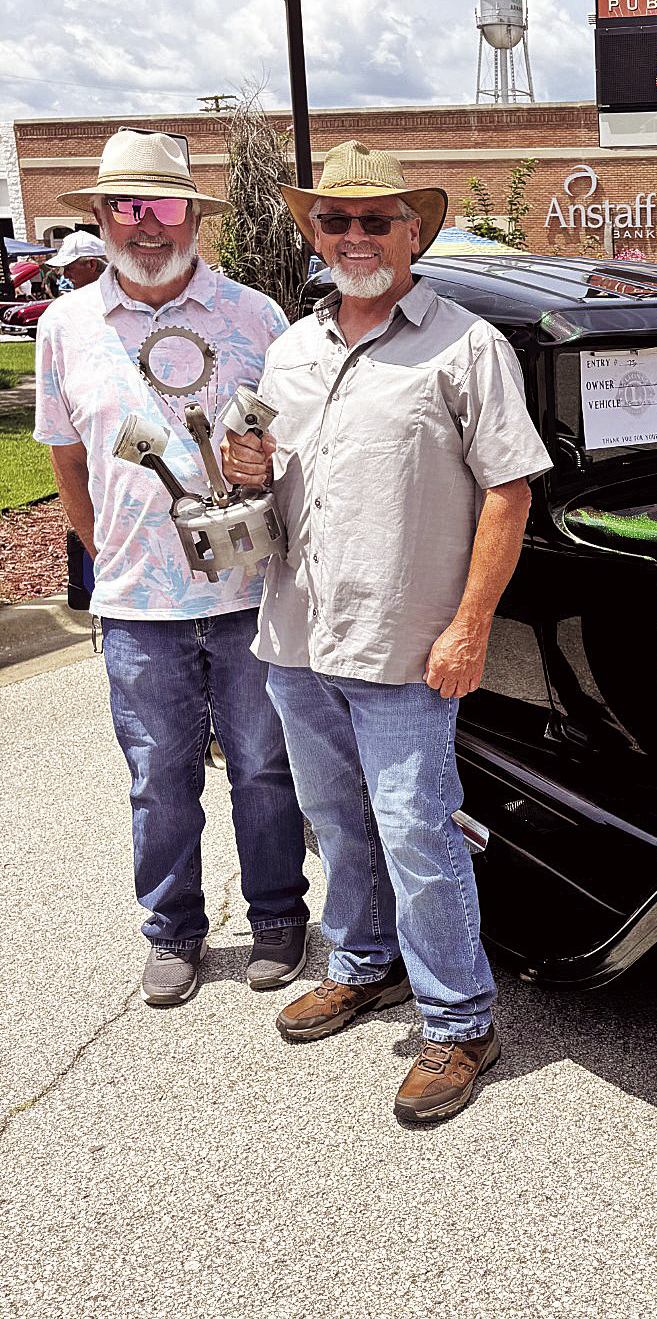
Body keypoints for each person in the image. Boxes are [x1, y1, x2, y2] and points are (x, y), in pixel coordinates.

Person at [221, 141, 552, 1124]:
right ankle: (366, 964)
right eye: (336, 220)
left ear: (414, 232)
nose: (356, 236)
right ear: (313, 234)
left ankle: (460, 1022)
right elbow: (271, 481)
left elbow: (510, 490)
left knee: (418, 834)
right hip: (298, 635)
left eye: (377, 220)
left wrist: (470, 626)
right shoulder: (288, 349)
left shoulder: (465, 346)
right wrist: (245, 470)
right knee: (339, 823)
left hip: (406, 647)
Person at [33, 128, 310, 1007]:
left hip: (247, 592)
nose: (146, 225)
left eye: (163, 206)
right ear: (102, 217)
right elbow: (67, 463)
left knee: (266, 765)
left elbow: (292, 441)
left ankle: (276, 916)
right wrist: (110, 555)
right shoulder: (65, 325)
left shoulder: (257, 316)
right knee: (159, 776)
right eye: (127, 206)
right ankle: (174, 930)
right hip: (137, 604)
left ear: (193, 214)